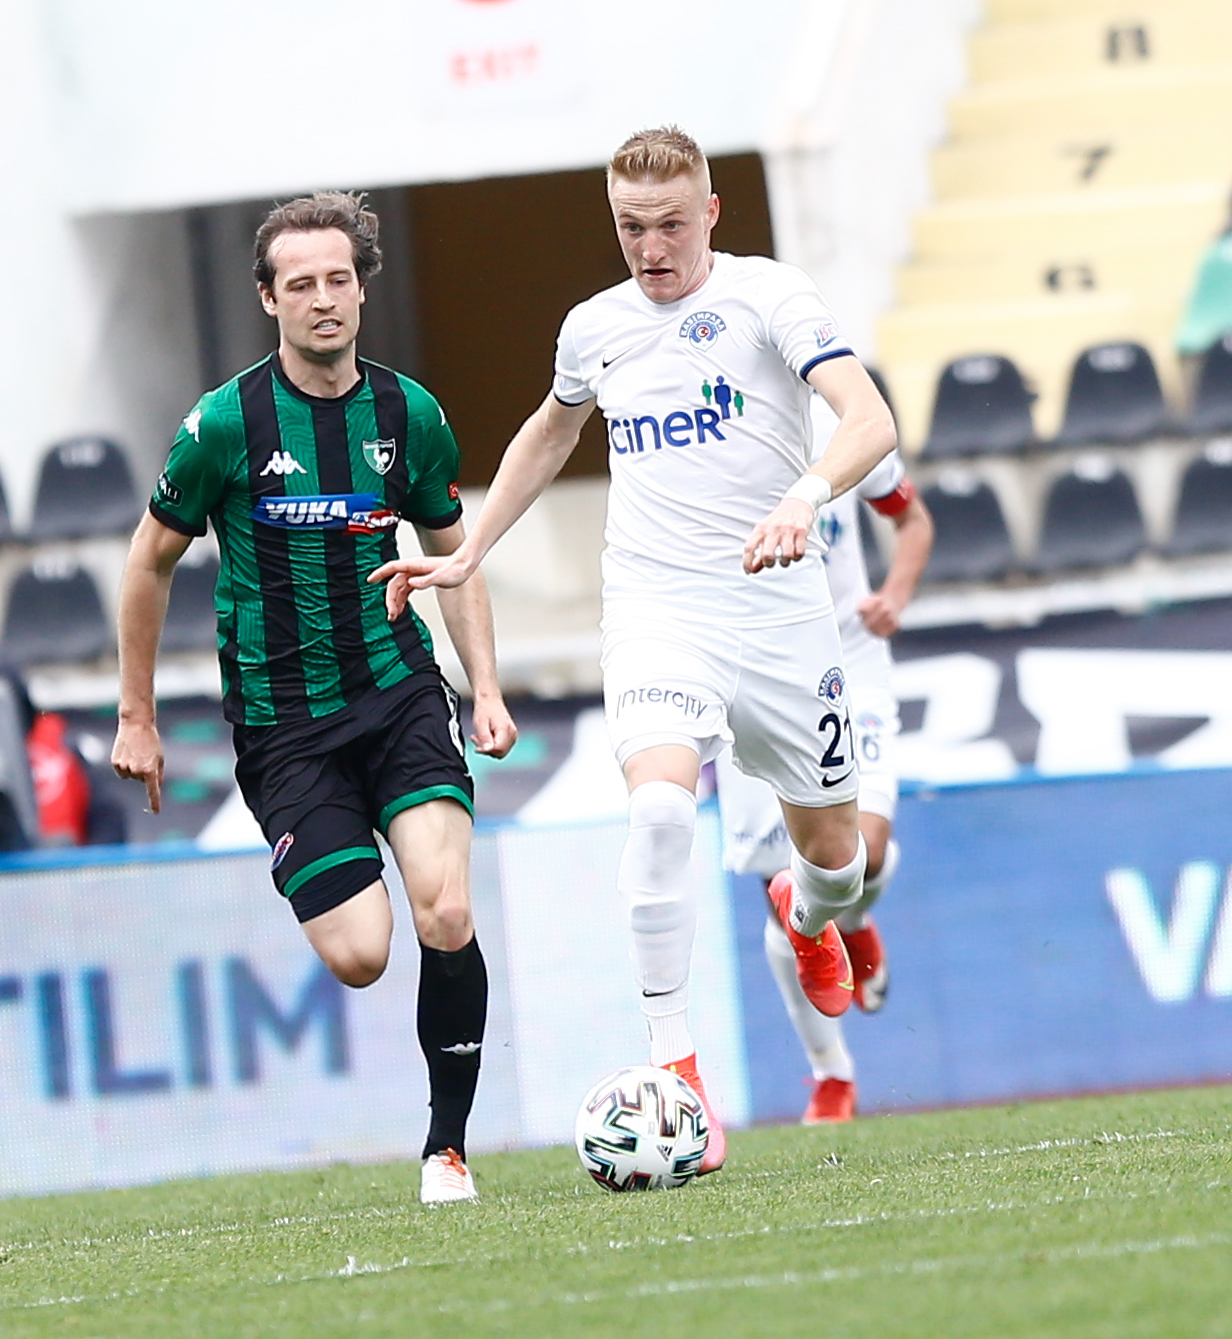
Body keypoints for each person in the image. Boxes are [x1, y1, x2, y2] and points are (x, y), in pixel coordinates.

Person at [375, 126, 899, 1172]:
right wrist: (468, 547)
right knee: (660, 807)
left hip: (782, 613)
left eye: (668, 224)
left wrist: (803, 498)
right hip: (659, 608)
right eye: (629, 228)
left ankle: (807, 914)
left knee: (840, 865)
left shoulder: (770, 297)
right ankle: (678, 1070)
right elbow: (550, 430)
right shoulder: (595, 328)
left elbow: (868, 419)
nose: (650, 248)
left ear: (710, 213)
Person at [110, 192, 517, 1205]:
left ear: (362, 289)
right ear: (269, 298)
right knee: (360, 954)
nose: (323, 299)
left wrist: (485, 687)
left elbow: (451, 556)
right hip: (283, 724)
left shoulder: (409, 415)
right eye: (301, 284)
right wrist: (137, 715)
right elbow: (148, 561)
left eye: (339, 279)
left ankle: (447, 1149)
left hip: (398, 691)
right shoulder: (223, 423)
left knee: (446, 907)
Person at [718, 420, 933, 1124]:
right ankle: (831, 1073)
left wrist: (895, 594)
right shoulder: (710, 434)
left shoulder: (843, 429)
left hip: (849, 664)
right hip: (752, 678)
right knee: (780, 894)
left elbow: (913, 521)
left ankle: (858, 915)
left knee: (861, 851)